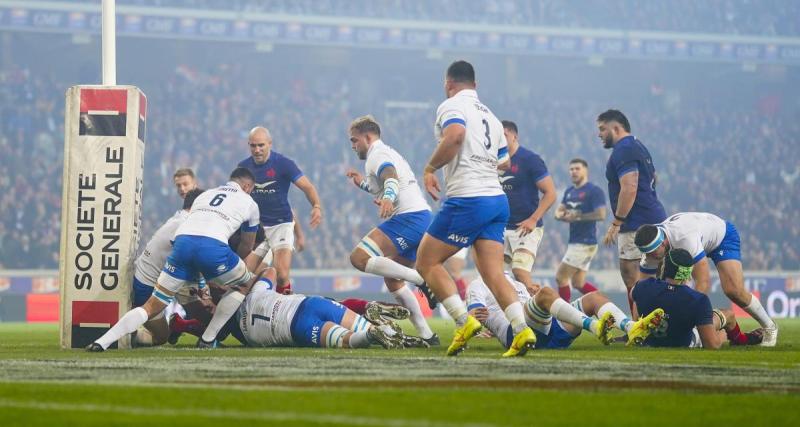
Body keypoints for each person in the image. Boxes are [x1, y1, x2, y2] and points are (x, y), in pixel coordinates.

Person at [415, 60, 536, 357]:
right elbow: (505, 161)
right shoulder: (493, 118)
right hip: (497, 201)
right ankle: (522, 331)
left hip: (469, 197)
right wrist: (481, 164)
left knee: (426, 262)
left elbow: (455, 136)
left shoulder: (452, 105)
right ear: (476, 85)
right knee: (493, 274)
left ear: (448, 84)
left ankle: (462, 321)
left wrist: (430, 167)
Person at [87, 167, 262, 351]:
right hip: (209, 246)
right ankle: (208, 340)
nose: (181, 188)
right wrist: (229, 271)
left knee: (151, 307)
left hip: (182, 244)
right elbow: (247, 245)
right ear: (248, 186)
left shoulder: (206, 196)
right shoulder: (249, 202)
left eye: (184, 184)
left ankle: (102, 342)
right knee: (245, 283)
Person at [344, 115, 438, 345]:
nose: (353, 146)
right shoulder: (385, 152)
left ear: (367, 137)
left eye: (355, 140)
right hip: (421, 217)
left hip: (410, 218)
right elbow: (381, 182)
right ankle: (428, 335)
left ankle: (421, 280)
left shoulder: (378, 155)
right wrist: (361, 183)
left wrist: (387, 198)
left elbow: (391, 178)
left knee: (359, 257)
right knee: (393, 281)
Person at [634, 212, 778, 346]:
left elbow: (703, 281)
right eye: (646, 254)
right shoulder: (652, 249)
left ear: (663, 243)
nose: (649, 258)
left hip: (722, 237)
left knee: (733, 290)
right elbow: (640, 292)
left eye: (652, 254)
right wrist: (637, 326)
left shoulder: (685, 238)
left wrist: (693, 322)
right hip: (697, 234)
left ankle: (770, 327)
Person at [216, 268, 412, 349]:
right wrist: (245, 286)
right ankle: (383, 327)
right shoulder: (255, 293)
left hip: (297, 327)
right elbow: (271, 270)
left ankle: (372, 334)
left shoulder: (248, 336)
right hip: (309, 303)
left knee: (348, 341)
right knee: (362, 327)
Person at [467, 273, 665, 349]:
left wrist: (530, 294)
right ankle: (596, 327)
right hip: (519, 333)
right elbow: (473, 315)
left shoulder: (510, 277)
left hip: (548, 327)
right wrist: (479, 323)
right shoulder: (477, 284)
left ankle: (631, 328)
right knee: (545, 293)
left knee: (594, 297)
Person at [239, 126, 322, 294]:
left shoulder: (284, 164)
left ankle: (283, 310)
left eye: (261, 145)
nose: (257, 150)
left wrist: (316, 206)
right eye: (253, 146)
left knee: (282, 275)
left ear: (270, 144)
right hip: (257, 228)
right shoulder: (243, 168)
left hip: (281, 225)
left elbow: (307, 186)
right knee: (243, 277)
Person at [597, 109, 667, 311]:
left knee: (632, 274)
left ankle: (641, 328)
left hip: (638, 223)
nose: (599, 134)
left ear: (616, 128)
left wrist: (616, 223)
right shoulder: (638, 145)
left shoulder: (623, 149)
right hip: (651, 217)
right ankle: (651, 326)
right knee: (652, 275)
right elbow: (655, 178)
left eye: (602, 129)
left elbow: (629, 187)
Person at [632, 248, 763, 348]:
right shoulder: (697, 299)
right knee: (728, 315)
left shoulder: (642, 287)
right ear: (688, 273)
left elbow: (634, 298)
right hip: (685, 342)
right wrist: (722, 336)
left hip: (648, 341)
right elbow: (711, 345)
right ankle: (741, 339)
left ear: (665, 267)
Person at [130, 188, 212, 347]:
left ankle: (194, 328)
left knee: (200, 306)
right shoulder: (186, 225)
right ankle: (126, 335)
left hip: (150, 278)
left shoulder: (179, 218)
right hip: (147, 289)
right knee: (161, 336)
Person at [499, 120, 557, 290]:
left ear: (514, 136)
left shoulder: (530, 160)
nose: (500, 140)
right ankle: (513, 313)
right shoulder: (493, 162)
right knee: (495, 276)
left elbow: (550, 193)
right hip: (501, 227)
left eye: (504, 135)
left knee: (520, 272)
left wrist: (533, 219)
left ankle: (545, 312)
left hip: (526, 227)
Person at [554, 158, 606, 301]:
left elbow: (601, 215)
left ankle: (564, 317)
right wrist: (561, 215)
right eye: (571, 169)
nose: (574, 172)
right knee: (578, 283)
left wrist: (577, 217)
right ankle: (606, 305)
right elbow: (558, 211)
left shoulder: (594, 191)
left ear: (585, 170)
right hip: (576, 241)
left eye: (577, 169)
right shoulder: (569, 191)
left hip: (585, 242)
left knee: (561, 277)